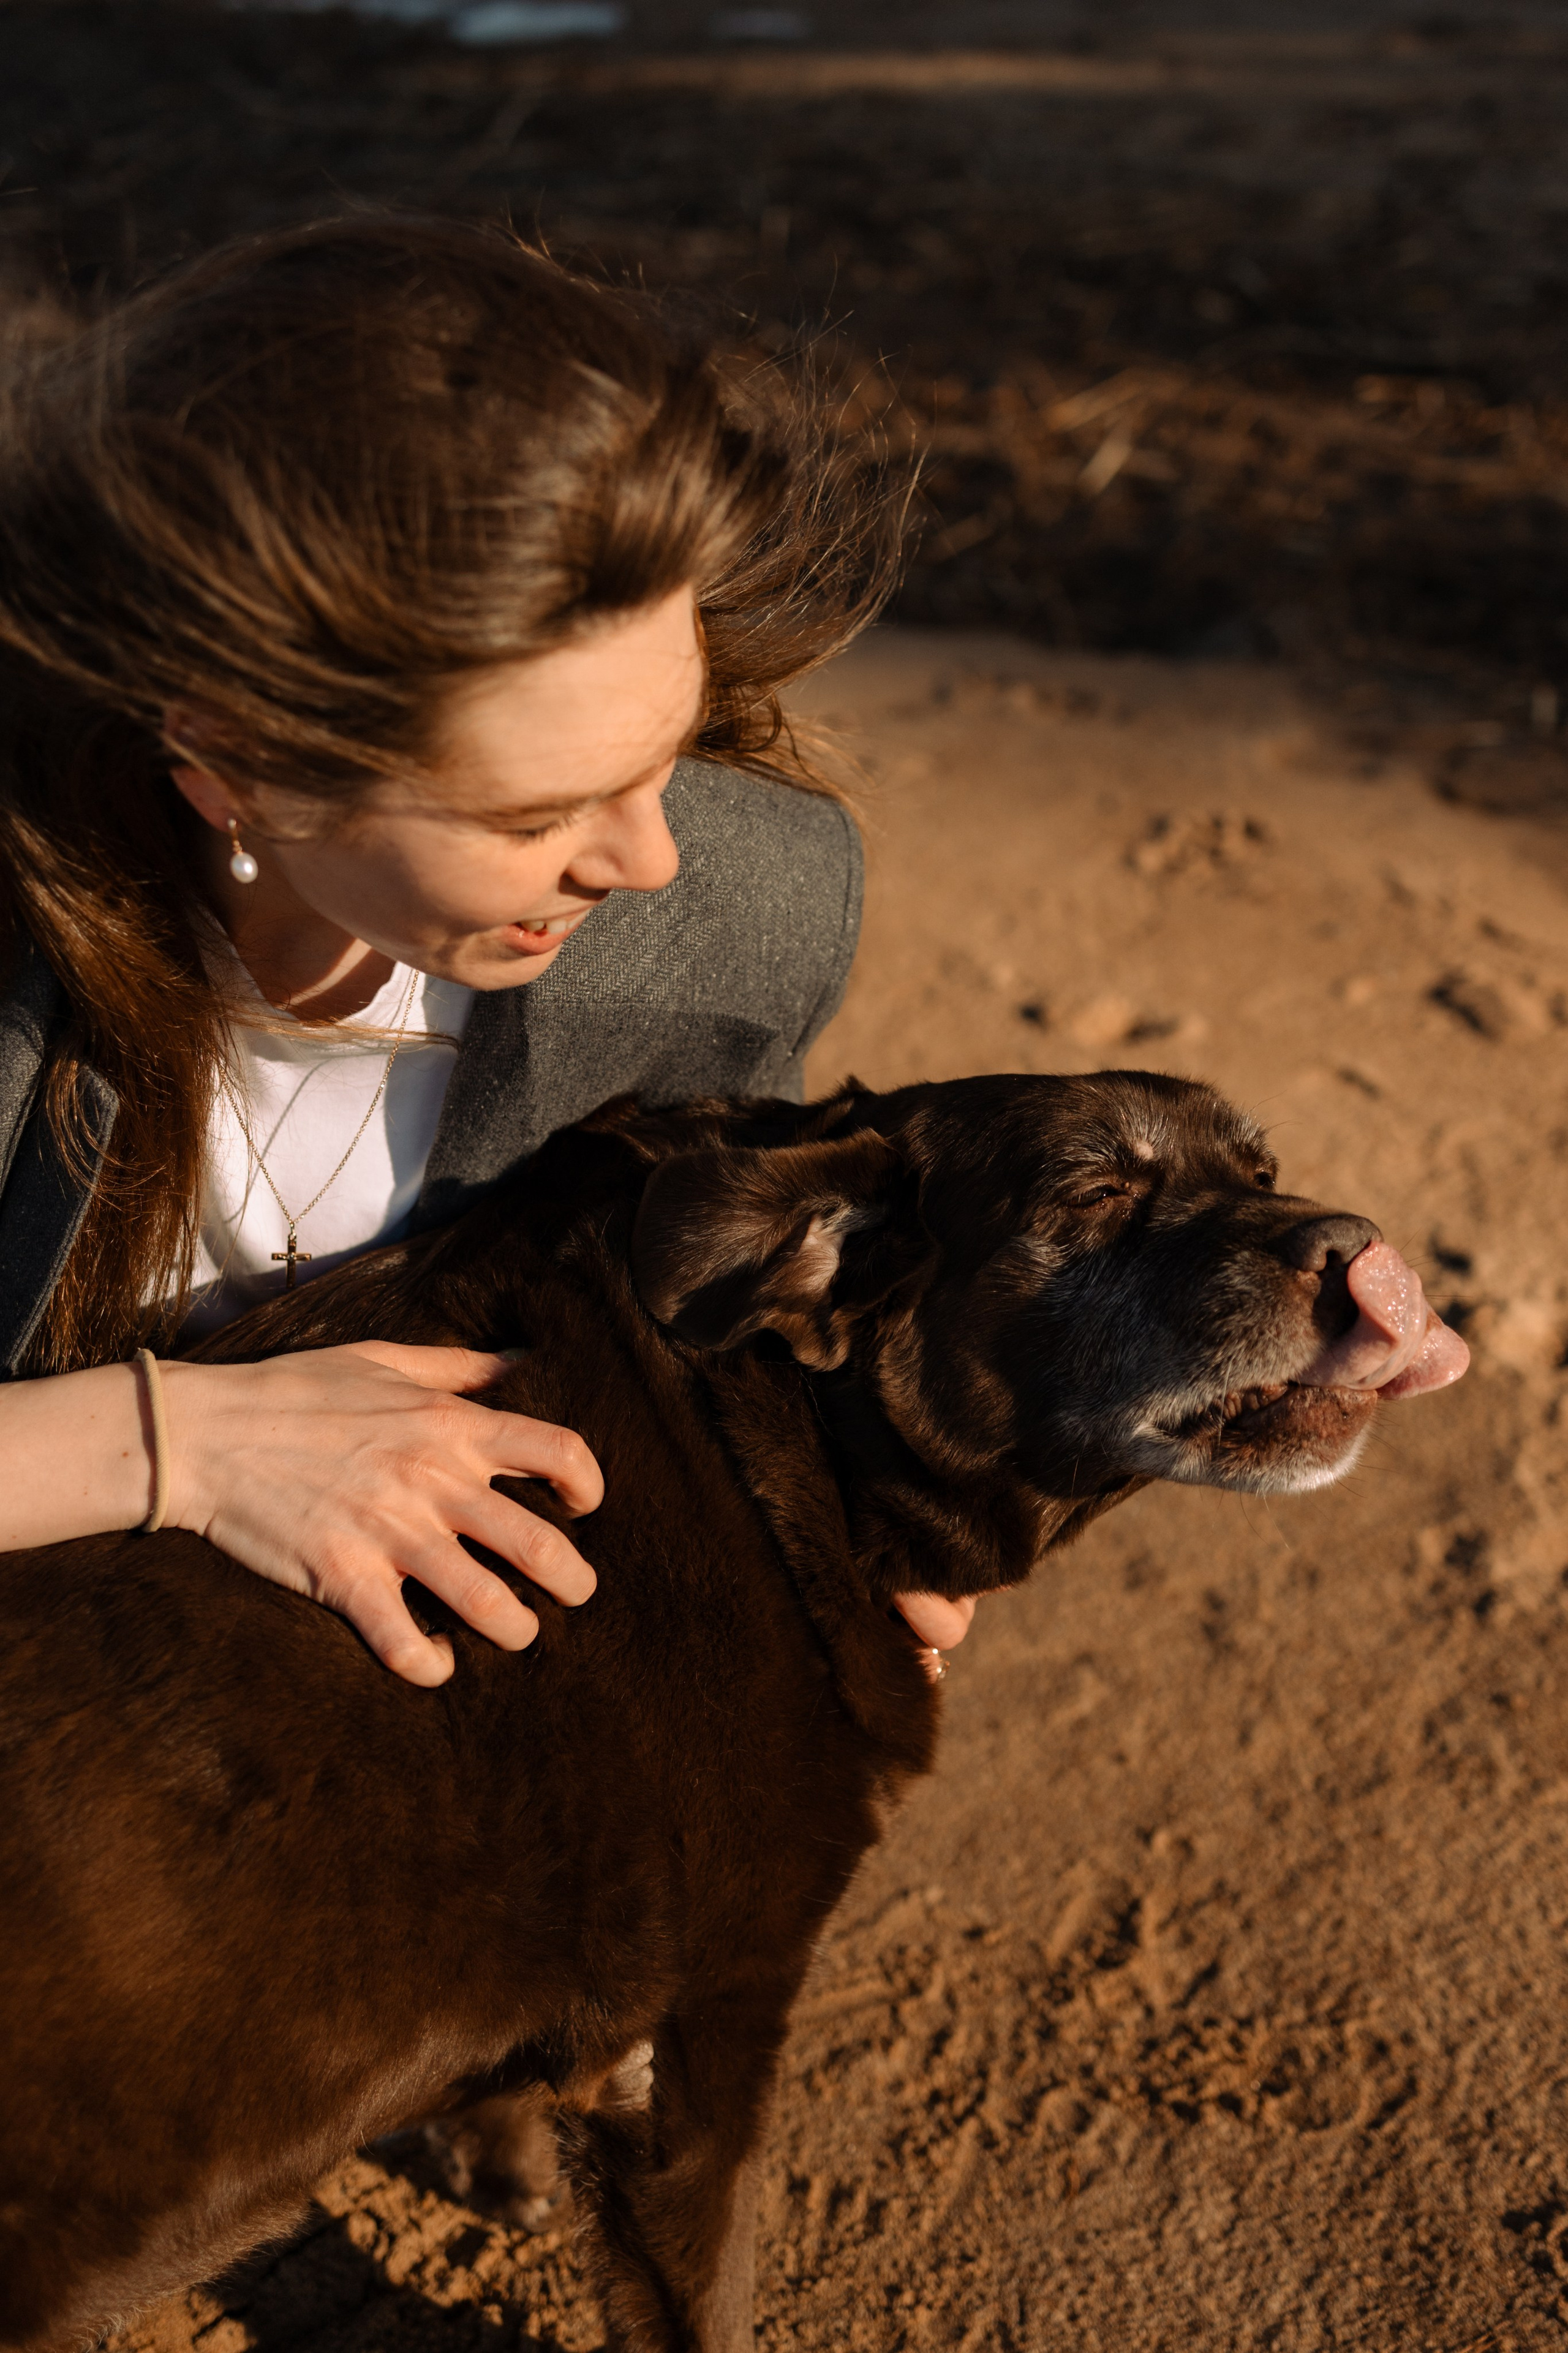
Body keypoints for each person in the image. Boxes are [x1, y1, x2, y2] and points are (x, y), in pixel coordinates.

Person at [0, 214, 976, 1684]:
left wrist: (830, 1519)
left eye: (664, 755)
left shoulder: (733, 914)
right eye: (537, 813)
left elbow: (675, 1332)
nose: (644, 861)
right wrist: (170, 1445)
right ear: (232, 761)